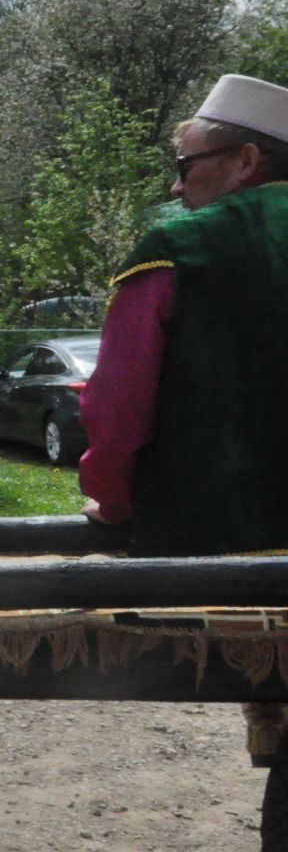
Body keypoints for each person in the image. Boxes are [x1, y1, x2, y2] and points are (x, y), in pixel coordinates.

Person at [78, 73, 288, 762]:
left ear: (246, 162)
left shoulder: (177, 250)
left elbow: (117, 408)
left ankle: (271, 711)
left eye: (185, 165)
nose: (175, 188)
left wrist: (111, 498)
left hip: (226, 553)